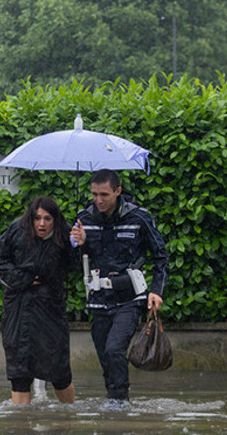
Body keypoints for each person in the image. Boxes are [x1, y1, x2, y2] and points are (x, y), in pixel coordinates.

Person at [70, 169, 169, 403]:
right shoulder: (83, 218)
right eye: (94, 194)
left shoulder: (139, 217)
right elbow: (75, 264)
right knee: (105, 355)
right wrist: (79, 245)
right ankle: (113, 399)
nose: (98, 200)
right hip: (97, 298)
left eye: (104, 194)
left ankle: (119, 402)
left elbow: (160, 256)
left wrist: (156, 290)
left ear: (117, 191)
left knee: (115, 349)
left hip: (129, 298)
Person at [0, 196, 77, 405]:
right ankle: (21, 423)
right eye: (37, 218)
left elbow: (74, 267)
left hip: (50, 308)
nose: (42, 224)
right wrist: (25, 279)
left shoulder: (66, 235)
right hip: (18, 307)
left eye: (47, 219)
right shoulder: (17, 230)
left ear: (55, 220)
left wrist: (79, 244)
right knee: (19, 371)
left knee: (59, 370)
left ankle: (68, 416)